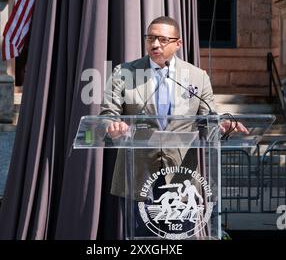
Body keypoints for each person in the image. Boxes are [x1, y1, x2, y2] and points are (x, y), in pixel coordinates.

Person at [99, 16, 248, 236]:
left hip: (182, 178)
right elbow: (106, 115)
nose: (154, 44)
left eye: (162, 39)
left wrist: (222, 125)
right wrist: (113, 125)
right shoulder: (124, 73)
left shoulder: (197, 77)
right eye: (150, 38)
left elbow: (208, 121)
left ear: (178, 43)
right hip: (138, 174)